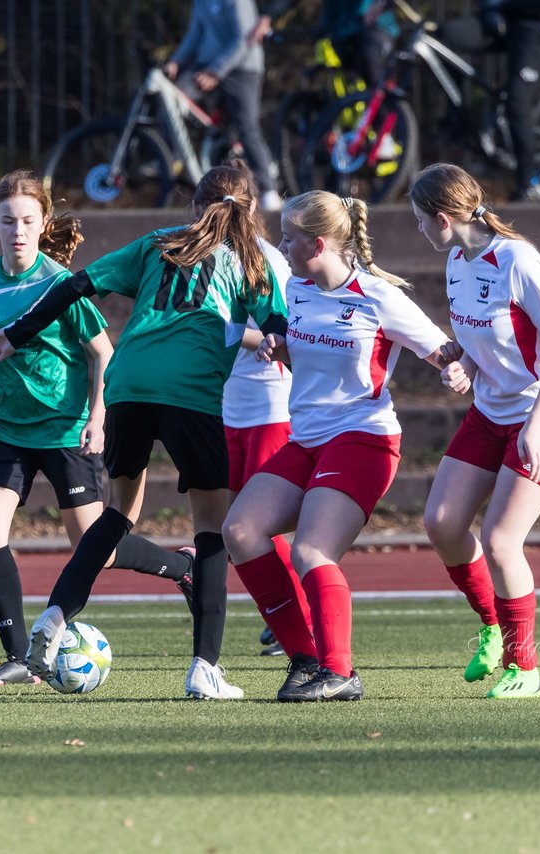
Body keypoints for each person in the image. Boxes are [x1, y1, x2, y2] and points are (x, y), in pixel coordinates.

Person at [0, 162, 287, 700]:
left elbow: (76, 285)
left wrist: (17, 332)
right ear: (251, 210)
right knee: (210, 531)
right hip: (191, 394)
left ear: (194, 206)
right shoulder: (253, 261)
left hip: (127, 388)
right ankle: (204, 669)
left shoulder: (156, 243)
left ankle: (51, 620)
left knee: (118, 516)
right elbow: (280, 329)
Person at [0, 170, 189, 686]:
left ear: (44, 222)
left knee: (98, 546)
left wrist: (97, 417)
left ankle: (182, 568)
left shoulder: (60, 285)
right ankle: (17, 657)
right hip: (6, 429)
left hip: (66, 430)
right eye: (8, 221)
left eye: (28, 221)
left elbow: (102, 354)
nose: (19, 230)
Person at [222, 190, 455, 702]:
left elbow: (439, 348)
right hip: (307, 439)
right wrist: (279, 345)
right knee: (240, 531)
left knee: (311, 550)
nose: (281, 246)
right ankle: (306, 659)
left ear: (319, 243)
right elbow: (290, 339)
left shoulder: (377, 295)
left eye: (289, 238)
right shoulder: (294, 287)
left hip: (363, 438)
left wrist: (455, 368)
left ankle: (340, 672)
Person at [410, 162, 540, 699]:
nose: (418, 231)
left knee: (502, 540)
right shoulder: (458, 261)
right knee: (441, 523)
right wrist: (463, 363)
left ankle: (525, 667)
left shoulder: (519, 261)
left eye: (420, 221)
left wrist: (535, 427)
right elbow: (480, 337)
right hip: (492, 411)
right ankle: (492, 628)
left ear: (444, 218)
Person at [222, 225, 300, 658]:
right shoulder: (204, 254)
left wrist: (226, 329)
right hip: (228, 406)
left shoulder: (266, 257)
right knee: (232, 526)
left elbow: (285, 330)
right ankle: (283, 613)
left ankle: (297, 616)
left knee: (259, 524)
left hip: (270, 408)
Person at [440, 0, 540, 205]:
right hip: (505, 17)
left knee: (517, 100)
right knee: (444, 38)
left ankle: (527, 183)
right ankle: (457, 120)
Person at [165, 0, 283, 211]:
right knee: (172, 99)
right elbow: (194, 35)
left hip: (241, 68)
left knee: (246, 128)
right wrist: (176, 61)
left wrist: (215, 72)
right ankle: (173, 159)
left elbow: (245, 39)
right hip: (207, 65)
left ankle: (269, 190)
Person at [258, 0, 399, 86]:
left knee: (370, 66)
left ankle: (387, 121)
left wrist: (381, 3)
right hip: (339, 33)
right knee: (327, 78)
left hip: (375, 30)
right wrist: (267, 16)